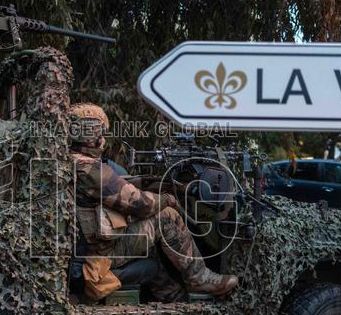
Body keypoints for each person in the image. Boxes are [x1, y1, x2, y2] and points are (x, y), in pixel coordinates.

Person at [69, 103, 239, 301]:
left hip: (89, 248)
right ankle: (199, 278)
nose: (104, 138)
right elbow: (140, 204)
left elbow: (117, 185)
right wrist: (168, 199)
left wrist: (152, 182)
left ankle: (174, 299)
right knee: (166, 217)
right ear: (94, 137)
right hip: (100, 253)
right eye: (101, 132)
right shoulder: (88, 168)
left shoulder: (75, 161)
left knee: (150, 251)